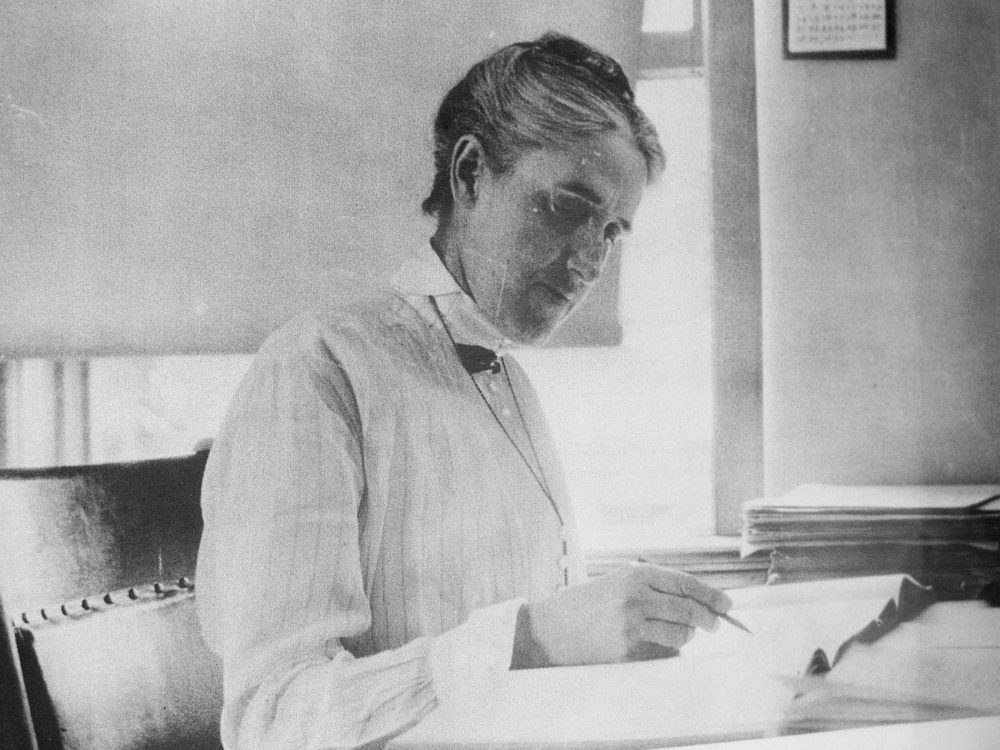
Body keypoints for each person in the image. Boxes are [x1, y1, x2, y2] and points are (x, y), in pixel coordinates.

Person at [196, 31, 733, 749]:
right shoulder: (319, 367)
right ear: (473, 173)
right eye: (569, 206)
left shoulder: (510, 385)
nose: (589, 260)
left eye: (611, 231)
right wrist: (533, 637)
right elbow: (273, 720)